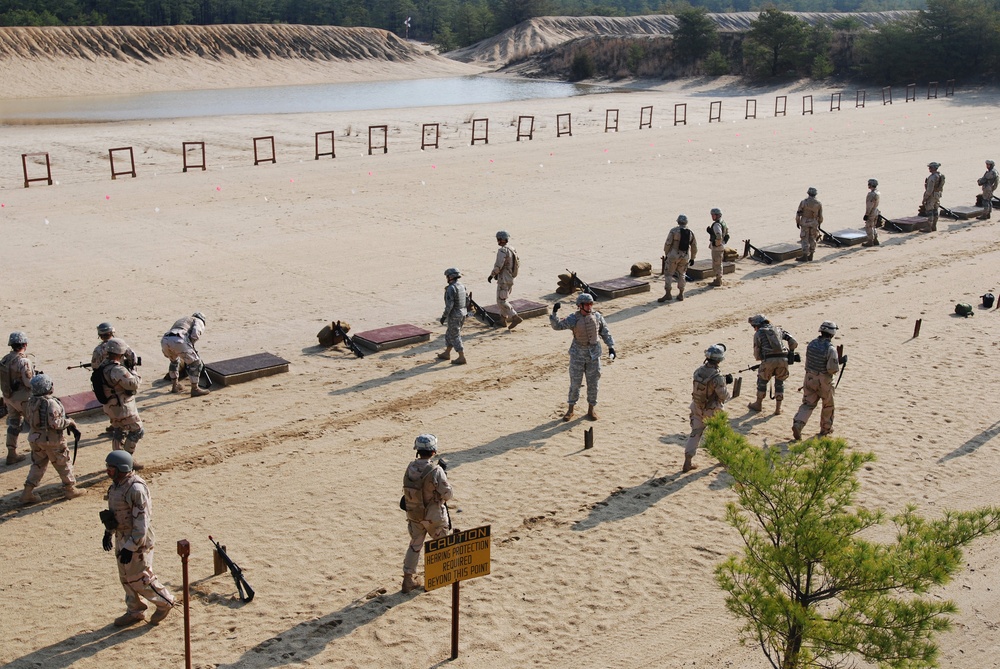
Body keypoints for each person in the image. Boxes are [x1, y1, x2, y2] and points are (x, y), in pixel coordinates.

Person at [103, 450, 175, 626]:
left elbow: (141, 523)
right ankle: (135, 611)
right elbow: (116, 514)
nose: (108, 472)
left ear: (121, 469)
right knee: (125, 577)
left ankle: (165, 602)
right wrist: (108, 532)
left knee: (140, 578)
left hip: (137, 541)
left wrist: (131, 546)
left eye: (111, 469)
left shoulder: (135, 489)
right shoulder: (116, 486)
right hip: (123, 537)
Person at [20, 374, 86, 503]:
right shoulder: (50, 403)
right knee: (63, 463)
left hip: (35, 438)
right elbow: (55, 423)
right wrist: (69, 422)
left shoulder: (31, 401)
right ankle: (70, 489)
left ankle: (27, 493)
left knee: (38, 465)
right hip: (52, 440)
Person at [549, 292, 616, 421]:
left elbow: (605, 332)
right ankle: (570, 410)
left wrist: (611, 347)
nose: (589, 306)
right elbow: (557, 326)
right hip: (577, 355)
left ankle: (591, 410)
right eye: (587, 304)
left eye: (591, 304)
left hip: (594, 355)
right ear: (580, 306)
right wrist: (554, 313)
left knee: (593, 383)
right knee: (575, 383)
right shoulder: (573, 318)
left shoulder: (597, 317)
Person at [401, 434, 453, 594]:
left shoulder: (410, 467)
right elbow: (448, 494)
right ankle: (435, 578)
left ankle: (408, 579)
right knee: (440, 544)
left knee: (415, 545)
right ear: (433, 451)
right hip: (434, 516)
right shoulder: (435, 470)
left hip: (415, 515)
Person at [98, 338, 146, 470]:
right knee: (137, 431)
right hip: (122, 407)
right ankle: (126, 460)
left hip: (110, 406)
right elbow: (133, 383)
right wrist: (134, 371)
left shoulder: (103, 366)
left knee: (119, 431)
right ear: (120, 353)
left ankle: (116, 460)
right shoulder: (117, 369)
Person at [792, 321, 844, 441]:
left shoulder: (811, 344)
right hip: (824, 380)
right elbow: (832, 369)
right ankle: (826, 429)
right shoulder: (831, 349)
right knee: (828, 405)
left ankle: (799, 423)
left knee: (808, 404)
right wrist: (839, 362)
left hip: (809, 377)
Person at [685, 343, 731, 472]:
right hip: (712, 409)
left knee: (695, 434)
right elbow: (723, 396)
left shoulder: (698, 371)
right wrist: (725, 386)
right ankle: (723, 459)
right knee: (719, 433)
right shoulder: (717, 377)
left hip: (696, 406)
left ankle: (688, 461)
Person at [746, 315, 798, 415]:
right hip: (783, 359)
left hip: (769, 359)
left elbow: (757, 351)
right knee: (780, 383)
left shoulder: (759, 333)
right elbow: (793, 342)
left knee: (762, 381)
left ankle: (758, 404)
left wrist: (762, 359)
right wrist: (791, 352)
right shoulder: (778, 330)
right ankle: (778, 409)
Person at [1, 331, 35, 465]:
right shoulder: (24, 361)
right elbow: (28, 383)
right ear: (25, 344)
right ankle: (38, 452)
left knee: (14, 424)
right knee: (35, 424)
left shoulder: (5, 359)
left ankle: (11, 453)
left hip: (8, 397)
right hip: (23, 398)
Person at [161, 312, 210, 396]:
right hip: (179, 340)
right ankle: (195, 389)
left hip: (165, 340)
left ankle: (174, 386)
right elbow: (195, 334)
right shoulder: (198, 321)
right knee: (196, 363)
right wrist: (191, 347)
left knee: (174, 361)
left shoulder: (183, 319)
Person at [658, 214, 697, 302]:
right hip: (685, 256)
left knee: (668, 274)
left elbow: (668, 244)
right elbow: (694, 246)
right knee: (682, 274)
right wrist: (693, 258)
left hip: (673, 255)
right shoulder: (690, 232)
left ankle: (668, 294)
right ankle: (681, 294)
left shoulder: (674, 231)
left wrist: (667, 254)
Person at [488, 231, 522, 330]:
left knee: (501, 301)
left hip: (504, 279)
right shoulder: (512, 249)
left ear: (501, 239)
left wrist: (492, 274)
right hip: (510, 278)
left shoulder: (502, 251)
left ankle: (515, 317)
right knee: (504, 299)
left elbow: (499, 265)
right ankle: (503, 320)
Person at [438, 267, 468, 365]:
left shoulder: (451, 288)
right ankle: (447, 353)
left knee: (455, 335)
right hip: (462, 313)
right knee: (449, 333)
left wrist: (444, 316)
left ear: (450, 277)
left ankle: (461, 356)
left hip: (454, 314)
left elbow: (449, 305)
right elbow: (467, 300)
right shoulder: (462, 286)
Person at [795, 187, 823, 262]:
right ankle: (811, 255)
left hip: (805, 222)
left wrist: (797, 222)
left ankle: (804, 255)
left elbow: (798, 213)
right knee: (812, 238)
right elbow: (820, 216)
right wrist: (819, 224)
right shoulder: (818, 203)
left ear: (808, 193)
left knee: (804, 238)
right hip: (814, 222)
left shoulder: (803, 202)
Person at [921, 162, 945, 232]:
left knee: (930, 211)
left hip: (931, 196)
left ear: (934, 168)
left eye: (930, 167)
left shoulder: (932, 177)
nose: (929, 169)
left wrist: (925, 198)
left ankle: (929, 227)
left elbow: (929, 190)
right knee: (935, 211)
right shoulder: (941, 176)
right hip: (937, 195)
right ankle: (934, 226)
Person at [707, 208, 728, 287]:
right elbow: (726, 234)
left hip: (717, 247)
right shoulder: (723, 222)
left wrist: (717, 243)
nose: (712, 216)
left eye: (713, 215)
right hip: (721, 246)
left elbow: (719, 235)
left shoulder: (716, 224)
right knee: (718, 263)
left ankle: (718, 280)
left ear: (717, 215)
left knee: (716, 264)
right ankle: (718, 279)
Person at [863, 178, 881, 247]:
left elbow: (869, 206)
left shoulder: (871, 194)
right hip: (876, 211)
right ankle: (875, 239)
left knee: (869, 226)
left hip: (872, 212)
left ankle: (870, 241)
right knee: (874, 226)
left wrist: (866, 214)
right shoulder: (878, 192)